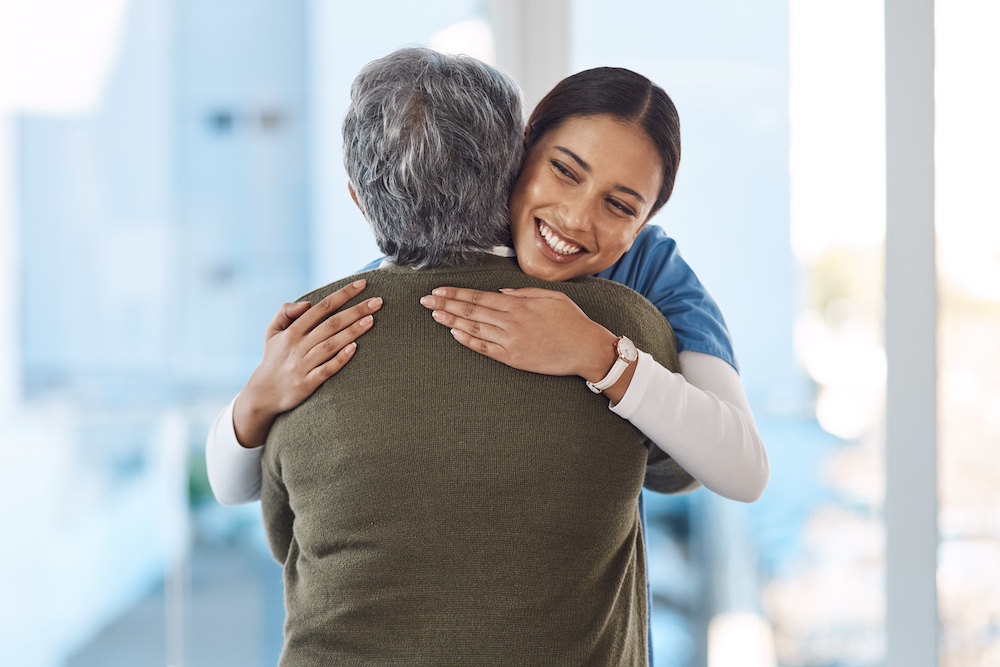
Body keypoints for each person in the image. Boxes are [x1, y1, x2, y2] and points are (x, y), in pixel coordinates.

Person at [259, 46, 690, 665]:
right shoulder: (621, 326)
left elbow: (284, 535)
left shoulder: (308, 336)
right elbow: (679, 469)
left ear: (358, 198)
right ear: (510, 168)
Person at [206, 69, 768, 507]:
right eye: (565, 171)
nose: (574, 217)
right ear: (519, 153)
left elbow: (742, 471)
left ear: (642, 223)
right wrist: (257, 399)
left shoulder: (652, 273)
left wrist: (596, 355)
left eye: (619, 206)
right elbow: (234, 487)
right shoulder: (441, 252)